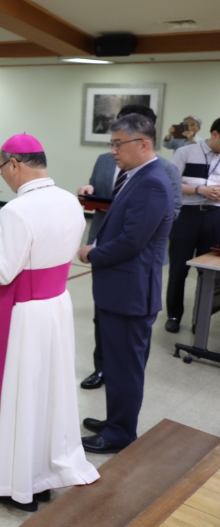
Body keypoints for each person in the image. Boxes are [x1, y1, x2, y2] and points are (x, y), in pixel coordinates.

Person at [0, 133, 100, 512]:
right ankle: (42, 474)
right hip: (55, 306)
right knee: (46, 394)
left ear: (14, 164)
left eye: (2, 168)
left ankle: (10, 482)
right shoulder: (69, 201)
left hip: (22, 314)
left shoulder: (16, 210)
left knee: (17, 394)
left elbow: (1, 270)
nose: (5, 178)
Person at [77, 114, 174, 455]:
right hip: (118, 289)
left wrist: (93, 253)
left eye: (119, 144)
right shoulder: (137, 176)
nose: (113, 151)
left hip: (131, 293)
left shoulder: (151, 182)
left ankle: (120, 433)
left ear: (143, 144)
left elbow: (133, 241)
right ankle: (114, 420)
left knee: (125, 368)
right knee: (115, 365)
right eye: (112, 143)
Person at [163, 117, 220, 334]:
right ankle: (174, 315)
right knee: (179, 269)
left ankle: (201, 318)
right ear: (215, 134)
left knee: (210, 273)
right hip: (187, 215)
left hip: (215, 216)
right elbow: (171, 183)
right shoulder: (186, 152)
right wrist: (199, 190)